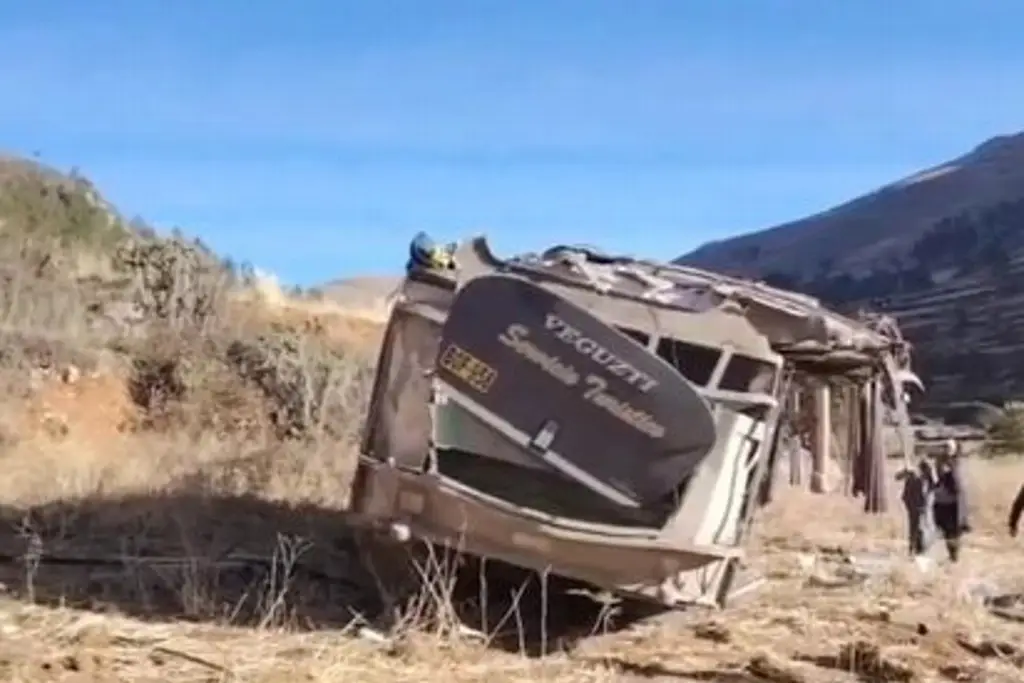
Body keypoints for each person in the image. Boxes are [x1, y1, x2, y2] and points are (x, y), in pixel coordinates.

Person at [932, 439, 969, 562]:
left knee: (954, 530)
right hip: (942, 501)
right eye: (944, 447)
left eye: (948, 447)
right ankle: (951, 554)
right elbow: (938, 477)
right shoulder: (940, 461)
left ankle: (954, 556)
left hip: (954, 502)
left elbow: (956, 482)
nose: (946, 449)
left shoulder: (956, 463)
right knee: (946, 529)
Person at [897, 457, 936, 557]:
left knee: (919, 528)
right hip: (914, 505)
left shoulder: (924, 477)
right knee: (915, 527)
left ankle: (917, 550)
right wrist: (907, 471)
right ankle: (914, 549)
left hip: (921, 505)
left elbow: (933, 484)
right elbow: (898, 477)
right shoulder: (913, 474)